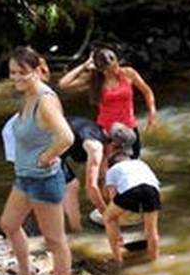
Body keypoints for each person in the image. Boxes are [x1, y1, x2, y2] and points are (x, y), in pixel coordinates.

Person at [0, 46, 75, 275]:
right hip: (24, 178)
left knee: (55, 241)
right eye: (12, 73)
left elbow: (67, 137)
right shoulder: (28, 96)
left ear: (36, 70)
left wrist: (46, 156)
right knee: (8, 224)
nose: (16, 78)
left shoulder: (45, 100)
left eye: (21, 72)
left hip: (44, 181)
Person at [60, 48, 157, 157]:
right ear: (102, 69)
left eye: (116, 64)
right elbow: (63, 84)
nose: (116, 69)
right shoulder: (94, 80)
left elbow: (147, 91)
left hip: (129, 127)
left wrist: (152, 113)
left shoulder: (128, 73)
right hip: (106, 130)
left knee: (134, 159)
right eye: (111, 68)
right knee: (109, 163)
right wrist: (84, 65)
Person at [102, 131, 162, 263]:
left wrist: (118, 229)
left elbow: (113, 198)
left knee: (108, 218)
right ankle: (155, 261)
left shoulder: (112, 171)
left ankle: (118, 259)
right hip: (152, 190)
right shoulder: (141, 163)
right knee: (151, 231)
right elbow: (155, 184)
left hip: (131, 190)